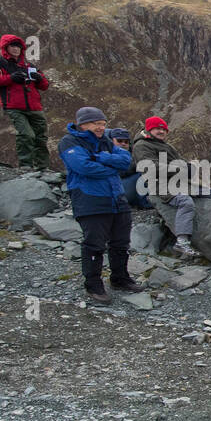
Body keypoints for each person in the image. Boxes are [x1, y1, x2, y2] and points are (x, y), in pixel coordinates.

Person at [58, 107, 144, 305]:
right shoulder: (69, 142)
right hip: (91, 200)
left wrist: (100, 158)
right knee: (94, 244)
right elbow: (83, 167)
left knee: (121, 243)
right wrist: (110, 168)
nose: (101, 127)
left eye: (103, 124)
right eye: (97, 123)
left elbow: (125, 161)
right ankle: (93, 284)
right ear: (83, 124)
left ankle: (120, 278)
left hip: (117, 199)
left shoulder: (105, 141)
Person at [130, 116, 200, 257]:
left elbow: (180, 162)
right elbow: (150, 167)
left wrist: (189, 167)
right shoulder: (141, 145)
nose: (161, 131)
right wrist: (180, 168)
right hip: (161, 186)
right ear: (149, 129)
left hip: (179, 182)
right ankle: (182, 241)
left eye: (163, 129)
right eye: (157, 128)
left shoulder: (166, 146)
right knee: (185, 202)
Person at [0, 34, 50, 170]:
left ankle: (43, 168)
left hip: (35, 107)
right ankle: (26, 166)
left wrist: (39, 79)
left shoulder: (28, 65)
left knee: (41, 138)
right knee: (26, 134)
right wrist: (11, 78)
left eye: (19, 46)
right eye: (13, 46)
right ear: (5, 48)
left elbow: (44, 86)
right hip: (14, 106)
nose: (16, 49)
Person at [109, 128, 151, 209]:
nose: (123, 144)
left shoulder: (133, 153)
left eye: (126, 142)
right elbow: (118, 172)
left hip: (127, 187)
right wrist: (137, 165)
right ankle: (145, 203)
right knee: (143, 174)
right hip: (116, 189)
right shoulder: (108, 154)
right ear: (111, 141)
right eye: (119, 140)